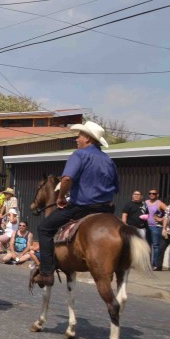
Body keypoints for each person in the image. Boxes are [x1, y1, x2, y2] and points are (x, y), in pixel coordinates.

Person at [32, 121, 119, 288]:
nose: (76, 139)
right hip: (106, 210)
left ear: (87, 138)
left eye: (79, 136)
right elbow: (116, 188)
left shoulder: (79, 155)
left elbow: (66, 179)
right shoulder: (109, 160)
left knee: (44, 228)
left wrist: (61, 197)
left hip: (82, 207)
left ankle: (47, 272)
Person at [143, 188, 167, 270]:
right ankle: (147, 264)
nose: (151, 195)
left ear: (157, 195)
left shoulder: (159, 203)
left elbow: (169, 212)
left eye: (154, 193)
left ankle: (156, 264)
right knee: (147, 245)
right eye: (150, 193)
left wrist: (161, 219)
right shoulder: (145, 202)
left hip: (156, 227)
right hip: (146, 226)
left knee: (156, 246)